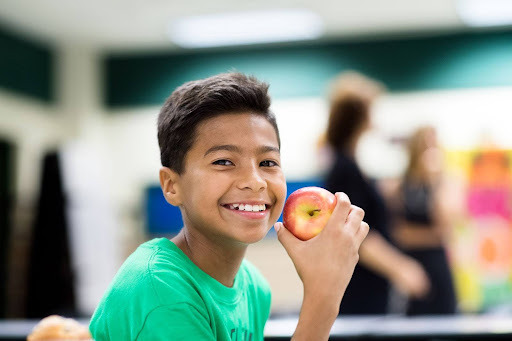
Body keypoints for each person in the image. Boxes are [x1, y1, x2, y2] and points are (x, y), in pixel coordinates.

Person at [89, 72, 369, 340]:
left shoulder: (253, 287)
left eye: (268, 163)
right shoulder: (158, 289)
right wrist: (324, 296)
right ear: (171, 185)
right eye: (223, 161)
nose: (255, 181)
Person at [324, 71, 430, 315]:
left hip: (370, 286)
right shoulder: (344, 169)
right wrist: (403, 268)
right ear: (359, 115)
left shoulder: (350, 165)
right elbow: (358, 233)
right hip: (360, 289)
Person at [390, 126, 458, 315]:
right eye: (424, 146)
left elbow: (445, 231)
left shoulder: (446, 183)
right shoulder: (398, 186)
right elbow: (397, 234)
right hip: (411, 267)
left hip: (438, 267)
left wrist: (432, 182)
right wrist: (429, 235)